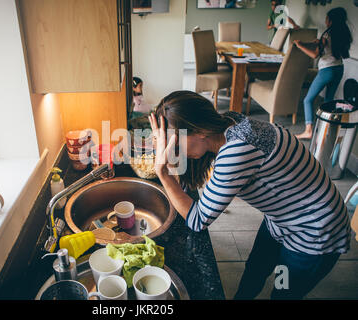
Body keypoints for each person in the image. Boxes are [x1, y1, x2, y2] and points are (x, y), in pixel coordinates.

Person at [148, 90, 350, 299]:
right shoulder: (230, 122)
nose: (173, 151)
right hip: (280, 219)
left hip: (314, 230)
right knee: (255, 269)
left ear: (200, 130)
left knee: (283, 292)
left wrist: (163, 172)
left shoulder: (237, 151)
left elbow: (197, 219)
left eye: (176, 144)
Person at [295, 7, 352, 140]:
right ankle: (327, 129)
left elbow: (315, 55)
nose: (325, 21)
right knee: (329, 100)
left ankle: (308, 130)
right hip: (339, 68)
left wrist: (299, 46)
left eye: (327, 19)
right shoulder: (343, 34)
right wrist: (319, 43)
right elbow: (331, 48)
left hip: (327, 70)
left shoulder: (326, 35)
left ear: (331, 21)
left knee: (308, 99)